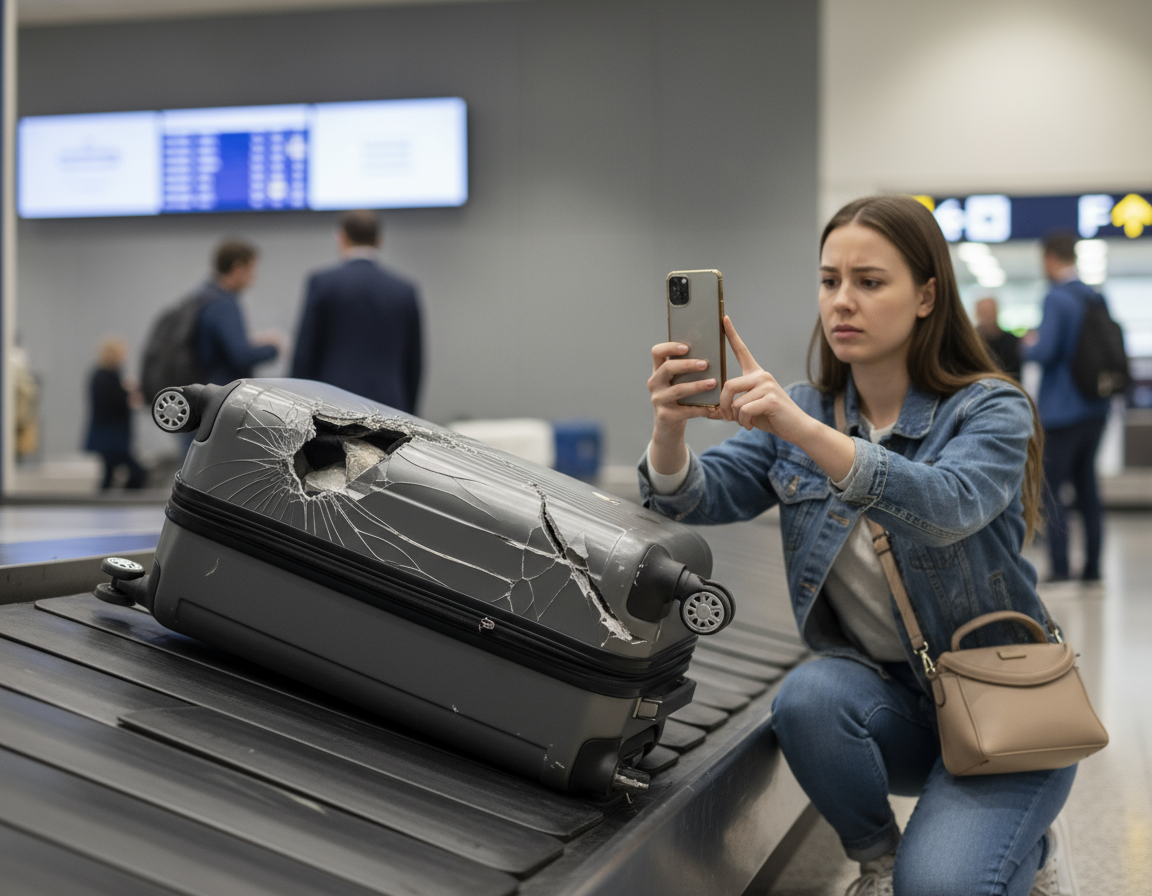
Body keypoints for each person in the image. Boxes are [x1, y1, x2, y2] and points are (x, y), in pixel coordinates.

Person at [641, 195, 1077, 895]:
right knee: (809, 696)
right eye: (829, 280)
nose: (842, 302)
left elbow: (946, 507)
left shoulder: (990, 408)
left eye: (869, 282)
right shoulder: (806, 409)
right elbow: (699, 494)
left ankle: (1024, 844)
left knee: (938, 886)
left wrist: (803, 431)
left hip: (1007, 709)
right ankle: (876, 861)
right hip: (896, 706)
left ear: (927, 295)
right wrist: (669, 430)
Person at [1022, 232, 1110, 584]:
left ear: (1049, 258)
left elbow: (1045, 353)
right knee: (1088, 489)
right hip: (1095, 408)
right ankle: (1092, 569)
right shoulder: (1094, 296)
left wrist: (1030, 343)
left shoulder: (1056, 298)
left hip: (1062, 410)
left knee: (1052, 489)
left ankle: (1060, 567)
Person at [290, 210, 423, 413]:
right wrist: (410, 412)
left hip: (332, 407)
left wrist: (298, 408)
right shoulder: (404, 290)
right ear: (379, 240)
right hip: (391, 406)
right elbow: (414, 362)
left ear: (341, 237)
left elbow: (305, 354)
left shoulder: (323, 283)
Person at [195, 239, 282, 386]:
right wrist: (273, 348)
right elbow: (241, 357)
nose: (254, 277)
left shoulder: (204, 295)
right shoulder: (224, 304)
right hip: (221, 390)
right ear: (238, 269)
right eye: (252, 270)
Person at [85, 337, 146, 490]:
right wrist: (127, 392)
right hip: (111, 435)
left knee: (109, 474)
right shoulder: (104, 376)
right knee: (137, 472)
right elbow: (109, 402)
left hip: (110, 434)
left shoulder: (109, 374)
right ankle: (125, 502)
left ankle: (107, 505)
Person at [975, 296, 1021, 381]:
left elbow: (1016, 373)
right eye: (983, 312)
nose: (987, 316)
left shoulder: (1012, 341)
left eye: (990, 311)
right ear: (977, 314)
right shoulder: (972, 342)